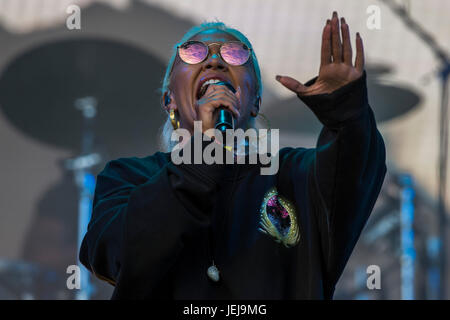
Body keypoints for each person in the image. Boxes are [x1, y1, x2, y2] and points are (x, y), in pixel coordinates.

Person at [80, 11, 386, 299]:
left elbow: (352, 174)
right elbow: (117, 253)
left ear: (254, 102)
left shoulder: (294, 177)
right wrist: (203, 150)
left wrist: (344, 111)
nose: (214, 61)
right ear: (169, 101)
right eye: (193, 52)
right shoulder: (128, 178)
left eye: (235, 54)